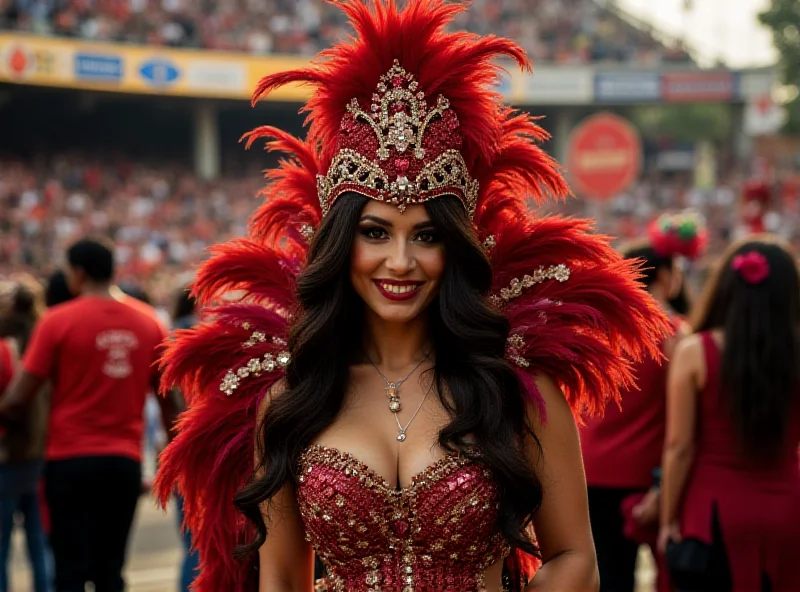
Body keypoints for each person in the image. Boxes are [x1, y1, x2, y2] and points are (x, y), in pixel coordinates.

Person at [154, 2, 670, 591]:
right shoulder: (292, 400)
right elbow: (281, 583)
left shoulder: (517, 392)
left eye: (426, 236)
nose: (400, 262)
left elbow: (575, 559)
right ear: (342, 245)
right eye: (375, 233)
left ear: (453, 248)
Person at [0, 237, 181, 592]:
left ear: (78, 273)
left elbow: (18, 398)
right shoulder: (149, 322)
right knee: (110, 571)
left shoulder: (56, 321)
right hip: (123, 463)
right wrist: (173, 460)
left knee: (69, 571)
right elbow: (169, 403)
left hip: (68, 461)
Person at [659, 237, 800, 591]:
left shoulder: (695, 352)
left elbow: (680, 447)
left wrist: (667, 518)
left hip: (710, 515)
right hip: (789, 512)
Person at [581, 211, 705, 592]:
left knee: (603, 573)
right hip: (644, 478)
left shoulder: (594, 327)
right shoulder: (677, 337)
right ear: (665, 278)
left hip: (588, 469)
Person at [0, 276, 50, 592]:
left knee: (2, 548)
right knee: (41, 542)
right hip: (45, 453)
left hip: (8, 456)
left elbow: (13, 403)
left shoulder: (7, 347)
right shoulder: (48, 337)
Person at [169, 285, 199, 592]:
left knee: (193, 543)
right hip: (214, 444)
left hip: (183, 445)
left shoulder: (172, 336)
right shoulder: (221, 330)